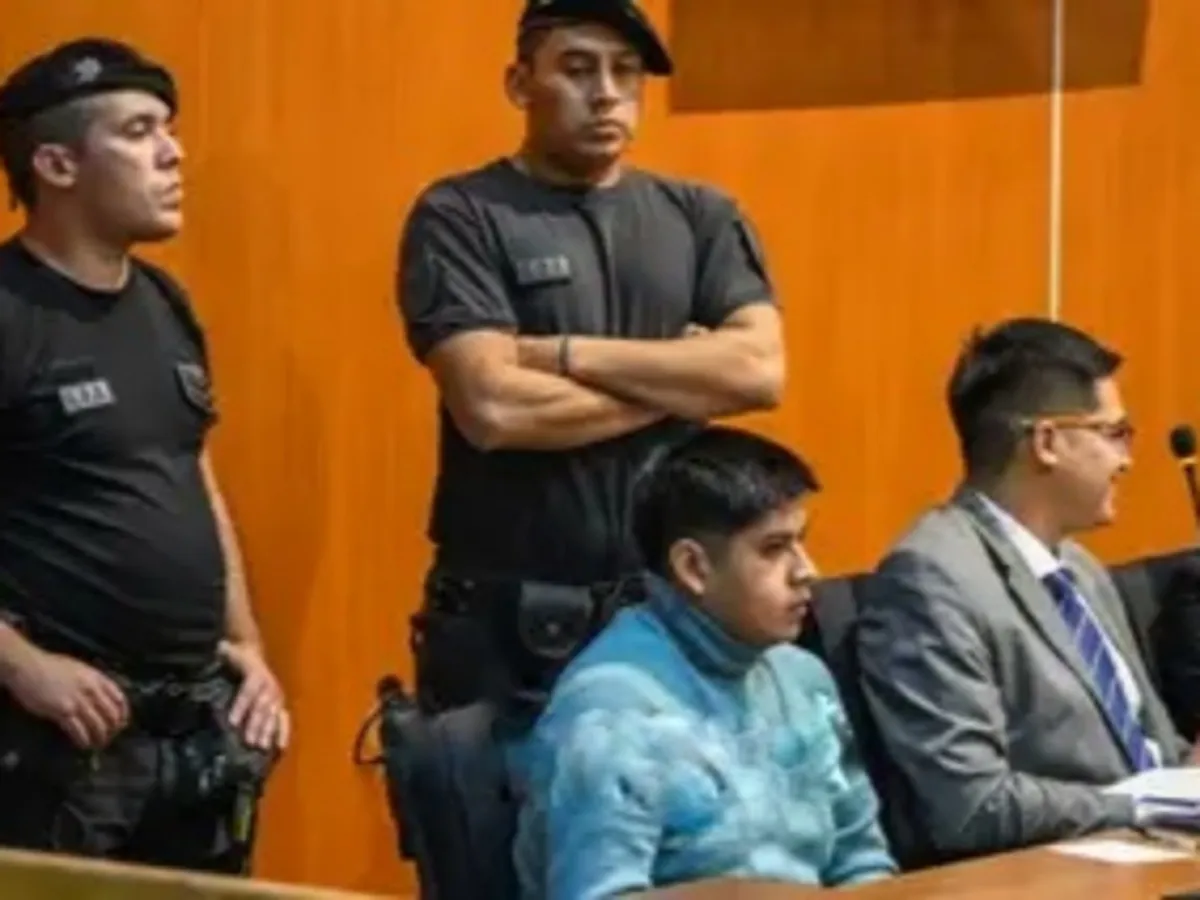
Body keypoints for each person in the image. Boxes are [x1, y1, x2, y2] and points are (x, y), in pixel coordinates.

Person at [395, 0, 784, 715]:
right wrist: (687, 381)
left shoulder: (699, 215)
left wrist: (563, 355)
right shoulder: (461, 215)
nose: (605, 93)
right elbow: (494, 408)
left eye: (625, 72)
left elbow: (759, 372)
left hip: (669, 612)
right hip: (513, 629)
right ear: (519, 84)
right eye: (577, 70)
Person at [0, 38, 287, 872]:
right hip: (58, 739)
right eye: (138, 131)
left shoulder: (164, 301)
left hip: (192, 732)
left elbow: (192, 473)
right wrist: (24, 668)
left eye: (169, 127)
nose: (173, 152)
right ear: (57, 164)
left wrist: (248, 646)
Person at [856, 318, 1193, 865]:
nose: (1127, 460)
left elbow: (1151, 753)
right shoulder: (931, 579)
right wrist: (1144, 805)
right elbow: (970, 807)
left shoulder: (1081, 569)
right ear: (1047, 442)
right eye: (1114, 434)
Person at [508, 426, 895, 899]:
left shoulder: (803, 677)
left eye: (801, 542)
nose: (806, 571)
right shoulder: (609, 713)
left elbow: (861, 860)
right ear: (694, 568)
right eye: (774, 549)